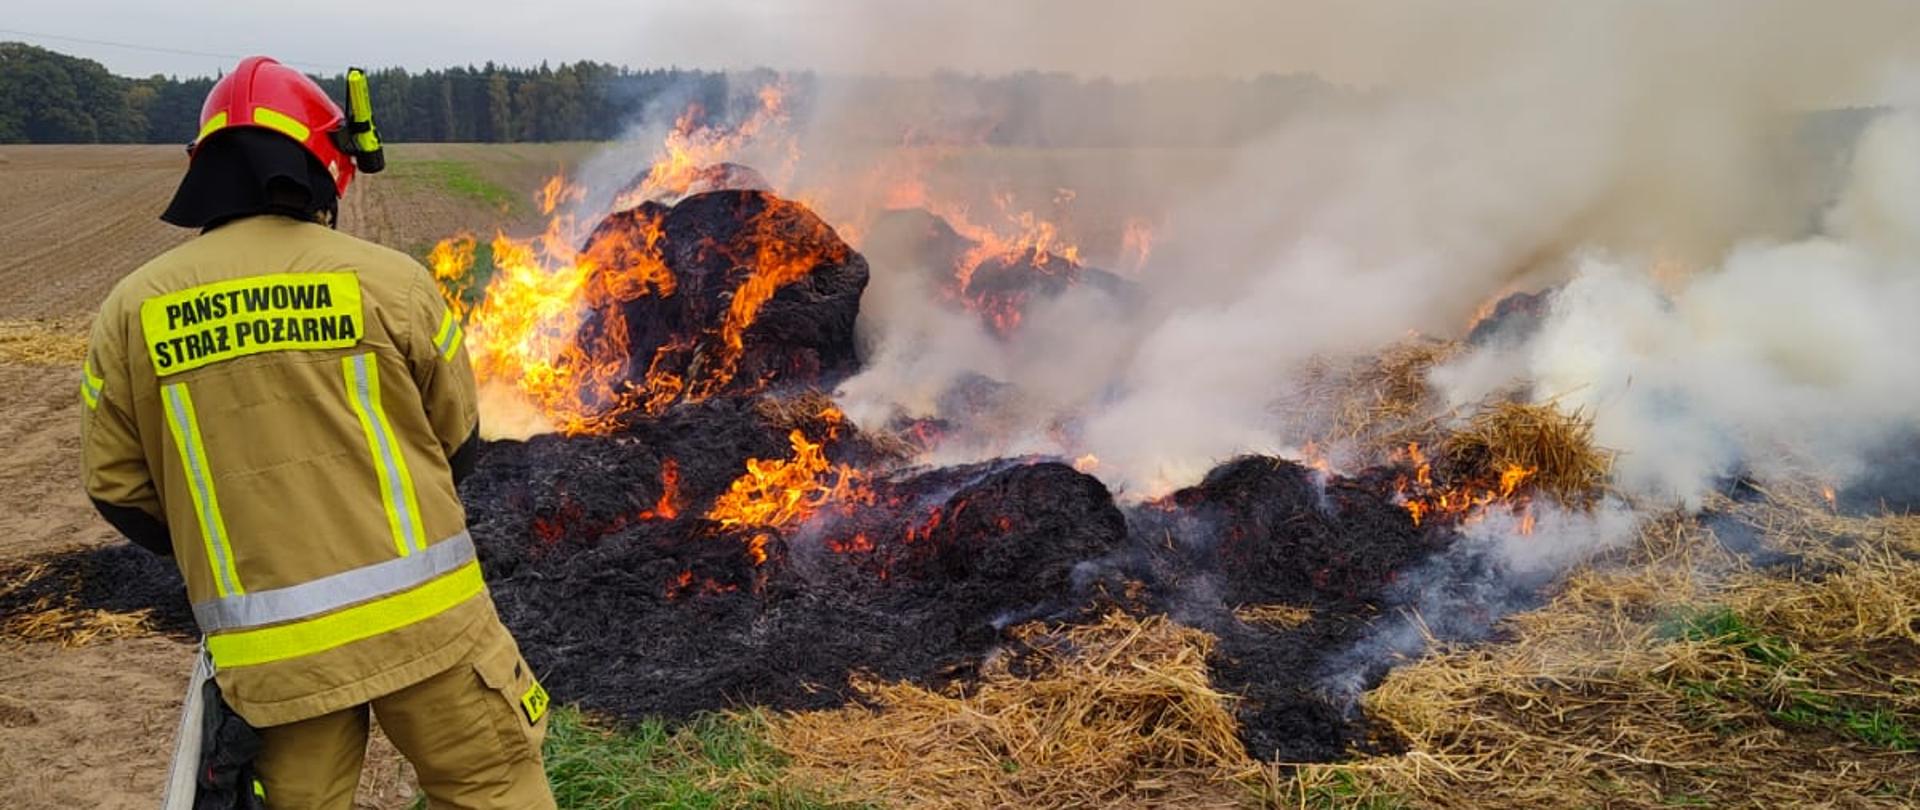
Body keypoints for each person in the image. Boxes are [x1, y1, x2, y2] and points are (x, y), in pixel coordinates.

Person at [79, 56, 556, 809]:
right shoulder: (390, 282)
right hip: (431, 633)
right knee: (491, 788)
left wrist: (233, 538)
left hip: (274, 662)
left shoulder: (131, 311)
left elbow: (117, 487)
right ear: (317, 165)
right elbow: (458, 440)